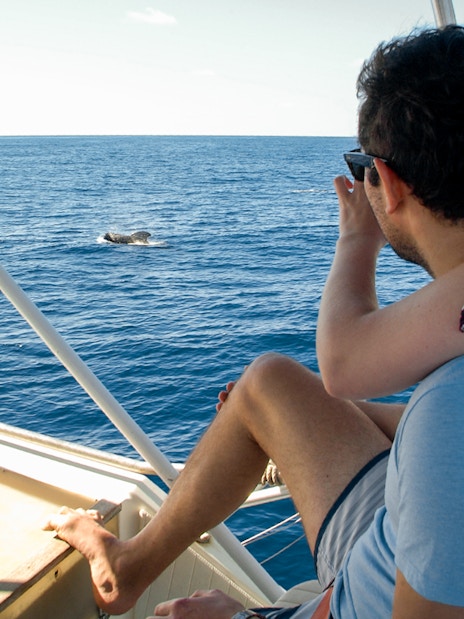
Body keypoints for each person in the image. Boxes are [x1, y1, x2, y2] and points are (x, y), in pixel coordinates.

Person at [45, 26, 464, 618]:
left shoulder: (450, 416)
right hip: (399, 523)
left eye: (363, 166)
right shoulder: (444, 417)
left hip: (372, 586)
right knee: (268, 382)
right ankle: (127, 567)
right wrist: (356, 414)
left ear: (388, 184)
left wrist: (241, 618)